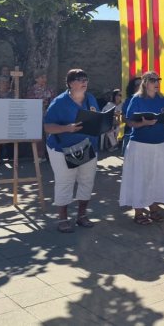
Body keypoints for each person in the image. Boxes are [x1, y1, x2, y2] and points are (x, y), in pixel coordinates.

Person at [43, 69, 100, 233]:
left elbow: (96, 118)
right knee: (65, 182)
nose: (84, 82)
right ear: (70, 83)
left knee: (86, 181)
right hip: (62, 149)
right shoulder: (59, 102)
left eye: (85, 79)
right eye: (79, 79)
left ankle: (82, 216)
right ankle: (63, 218)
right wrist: (66, 128)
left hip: (87, 146)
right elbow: (47, 127)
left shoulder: (90, 98)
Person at [121, 71, 164, 224]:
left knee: (156, 177)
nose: (156, 83)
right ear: (145, 83)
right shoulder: (136, 99)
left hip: (159, 144)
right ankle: (138, 212)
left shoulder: (162, 99)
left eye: (158, 80)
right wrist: (143, 123)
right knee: (140, 178)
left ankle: (154, 209)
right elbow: (130, 121)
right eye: (152, 80)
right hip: (140, 145)